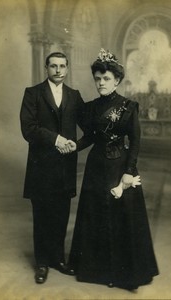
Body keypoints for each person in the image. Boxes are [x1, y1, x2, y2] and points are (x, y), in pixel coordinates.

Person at [68, 49, 159, 291]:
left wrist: (129, 172)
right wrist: (73, 146)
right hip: (96, 166)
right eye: (97, 78)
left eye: (106, 78)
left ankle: (125, 274)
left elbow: (136, 142)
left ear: (117, 80)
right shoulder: (91, 108)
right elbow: (90, 137)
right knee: (95, 216)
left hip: (120, 167)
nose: (101, 83)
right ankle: (97, 271)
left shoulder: (129, 107)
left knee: (123, 217)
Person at [20, 52, 84, 284]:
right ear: (46, 67)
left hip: (65, 167)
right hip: (41, 168)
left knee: (62, 215)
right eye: (53, 66)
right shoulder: (33, 93)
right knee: (42, 216)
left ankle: (57, 259)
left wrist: (76, 145)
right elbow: (28, 128)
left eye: (62, 66)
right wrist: (57, 139)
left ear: (67, 68)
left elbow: (88, 123)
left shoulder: (74, 96)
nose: (58, 70)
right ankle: (42, 263)